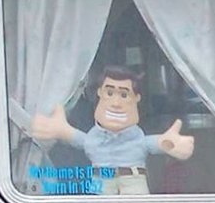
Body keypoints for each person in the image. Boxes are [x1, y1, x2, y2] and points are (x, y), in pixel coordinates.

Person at [30, 66, 194, 195]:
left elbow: (153, 143)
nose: (116, 103)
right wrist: (59, 130)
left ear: (136, 98)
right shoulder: (93, 139)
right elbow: (78, 138)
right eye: (110, 93)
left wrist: (171, 144)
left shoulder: (138, 139)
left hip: (133, 182)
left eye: (124, 95)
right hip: (101, 182)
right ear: (100, 93)